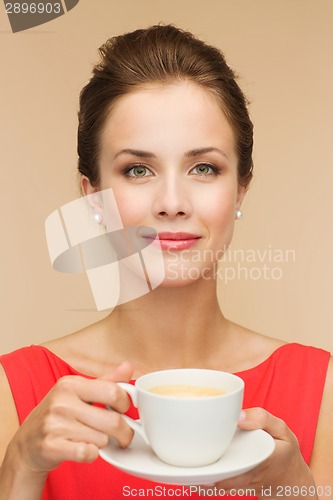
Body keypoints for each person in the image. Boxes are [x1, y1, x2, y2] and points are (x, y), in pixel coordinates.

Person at [0, 24, 332, 499]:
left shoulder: (321, 391)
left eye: (204, 168)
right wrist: (20, 469)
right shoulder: (16, 391)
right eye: (138, 169)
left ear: (241, 188)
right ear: (93, 199)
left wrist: (298, 492)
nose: (172, 202)